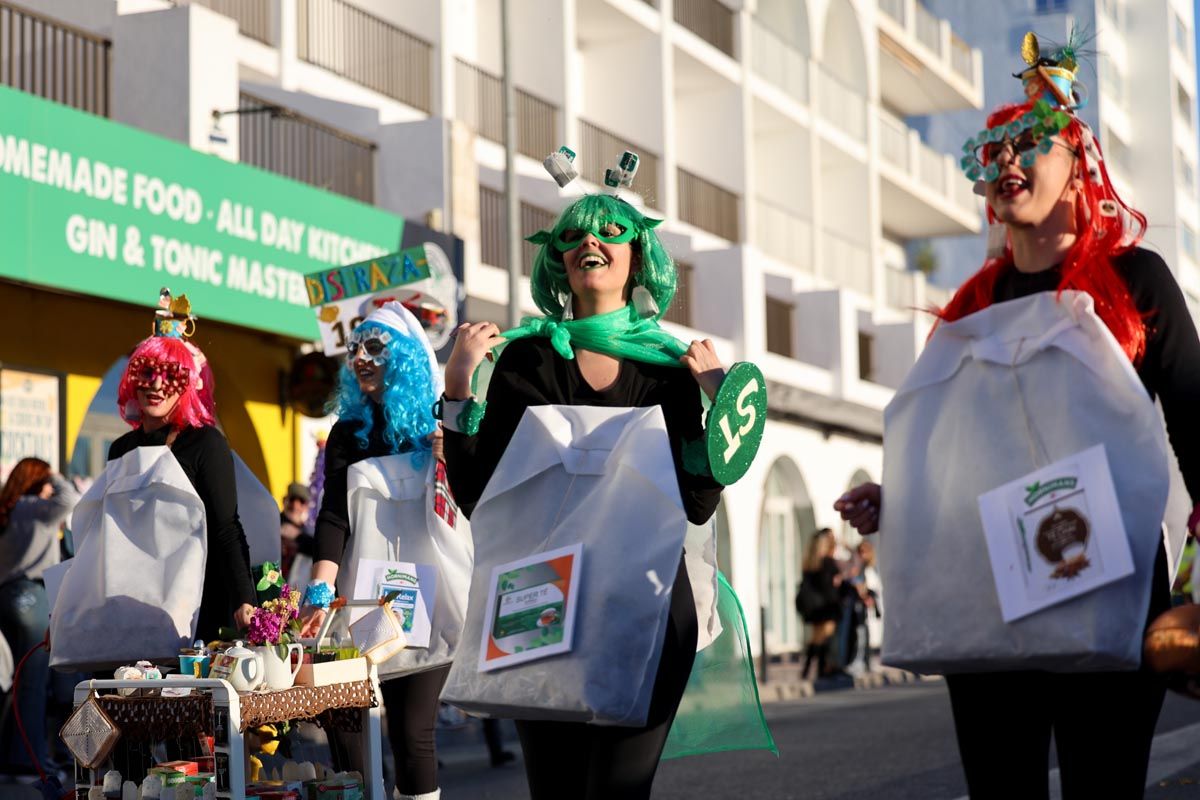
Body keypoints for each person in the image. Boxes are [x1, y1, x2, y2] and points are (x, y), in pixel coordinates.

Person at [836, 32, 1200, 799]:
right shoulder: (972, 306)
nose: (1005, 162)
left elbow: (1196, 423)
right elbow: (961, 452)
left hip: (1117, 583)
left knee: (1106, 784)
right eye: (992, 151)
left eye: (1028, 144)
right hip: (992, 597)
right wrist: (898, 503)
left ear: (1079, 165)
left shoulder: (1139, 279)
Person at [441, 191, 726, 799]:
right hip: (540, 597)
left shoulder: (671, 369)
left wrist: (722, 406)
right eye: (571, 236)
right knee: (556, 792)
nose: (588, 243)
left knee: (620, 793)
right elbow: (476, 495)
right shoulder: (523, 360)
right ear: (557, 260)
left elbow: (696, 503)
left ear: (637, 252)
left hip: (644, 599)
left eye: (609, 230)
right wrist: (460, 386)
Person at [297, 302, 447, 800]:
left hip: (429, 591)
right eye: (355, 347)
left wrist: (451, 454)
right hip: (365, 595)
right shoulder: (346, 433)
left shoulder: (437, 427)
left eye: (374, 346)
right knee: (347, 719)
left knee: (411, 731)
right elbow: (333, 517)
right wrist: (319, 589)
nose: (360, 356)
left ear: (403, 357)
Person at [106, 318, 257, 642]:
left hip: (195, 609)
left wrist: (245, 600)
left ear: (189, 383)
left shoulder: (206, 443)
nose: (156, 384)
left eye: (171, 375)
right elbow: (102, 536)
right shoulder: (120, 449)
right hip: (130, 604)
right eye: (147, 372)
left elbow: (226, 528)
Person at [0, 458, 78, 774]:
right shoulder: (35, 508)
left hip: (6, 596)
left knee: (15, 683)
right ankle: (27, 759)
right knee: (33, 682)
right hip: (32, 598)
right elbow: (70, 499)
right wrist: (54, 474)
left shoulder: (7, 510)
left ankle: (13, 755)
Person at [798, 529, 842, 681]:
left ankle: (807, 669)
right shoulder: (827, 563)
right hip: (827, 606)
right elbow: (830, 586)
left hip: (813, 606)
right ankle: (822, 669)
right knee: (825, 637)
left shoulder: (809, 562)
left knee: (815, 638)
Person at [279, 482, 315, 582]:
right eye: (292, 500)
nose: (295, 506)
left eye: (301, 502)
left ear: (307, 506)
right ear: (284, 500)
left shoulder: (308, 531)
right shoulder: (274, 524)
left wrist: (297, 536)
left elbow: (318, 549)